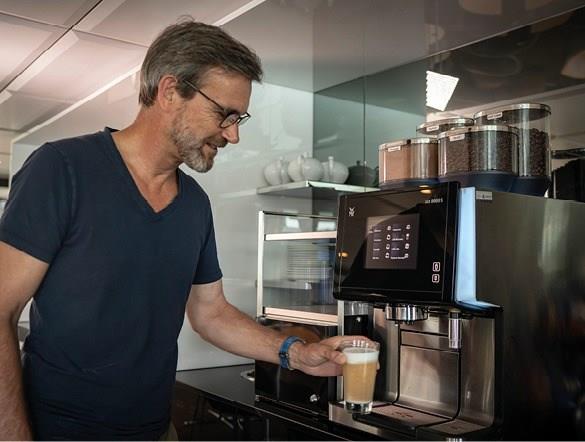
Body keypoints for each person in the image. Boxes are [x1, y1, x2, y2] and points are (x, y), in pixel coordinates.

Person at [0, 20, 359, 440]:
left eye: (239, 118)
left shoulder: (193, 203)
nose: (233, 135)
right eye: (224, 114)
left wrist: (295, 353)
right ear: (170, 91)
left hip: (156, 430)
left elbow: (211, 313)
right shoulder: (61, 170)